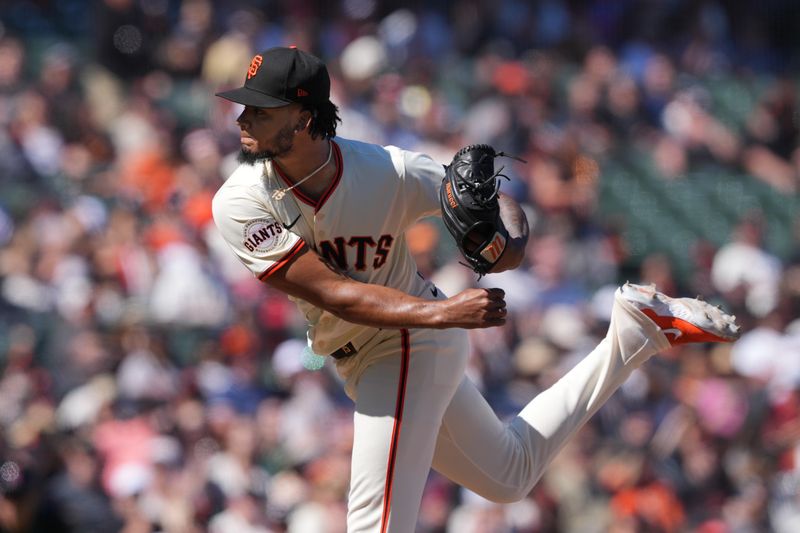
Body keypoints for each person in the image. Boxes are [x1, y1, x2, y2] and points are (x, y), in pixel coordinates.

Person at [211, 46, 741, 533]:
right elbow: (334, 293)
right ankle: (634, 333)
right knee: (510, 475)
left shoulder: (383, 170)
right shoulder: (239, 200)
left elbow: (488, 201)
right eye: (245, 107)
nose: (243, 119)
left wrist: (509, 238)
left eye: (261, 109)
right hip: (396, 337)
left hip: (404, 345)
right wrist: (442, 313)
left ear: (303, 118)